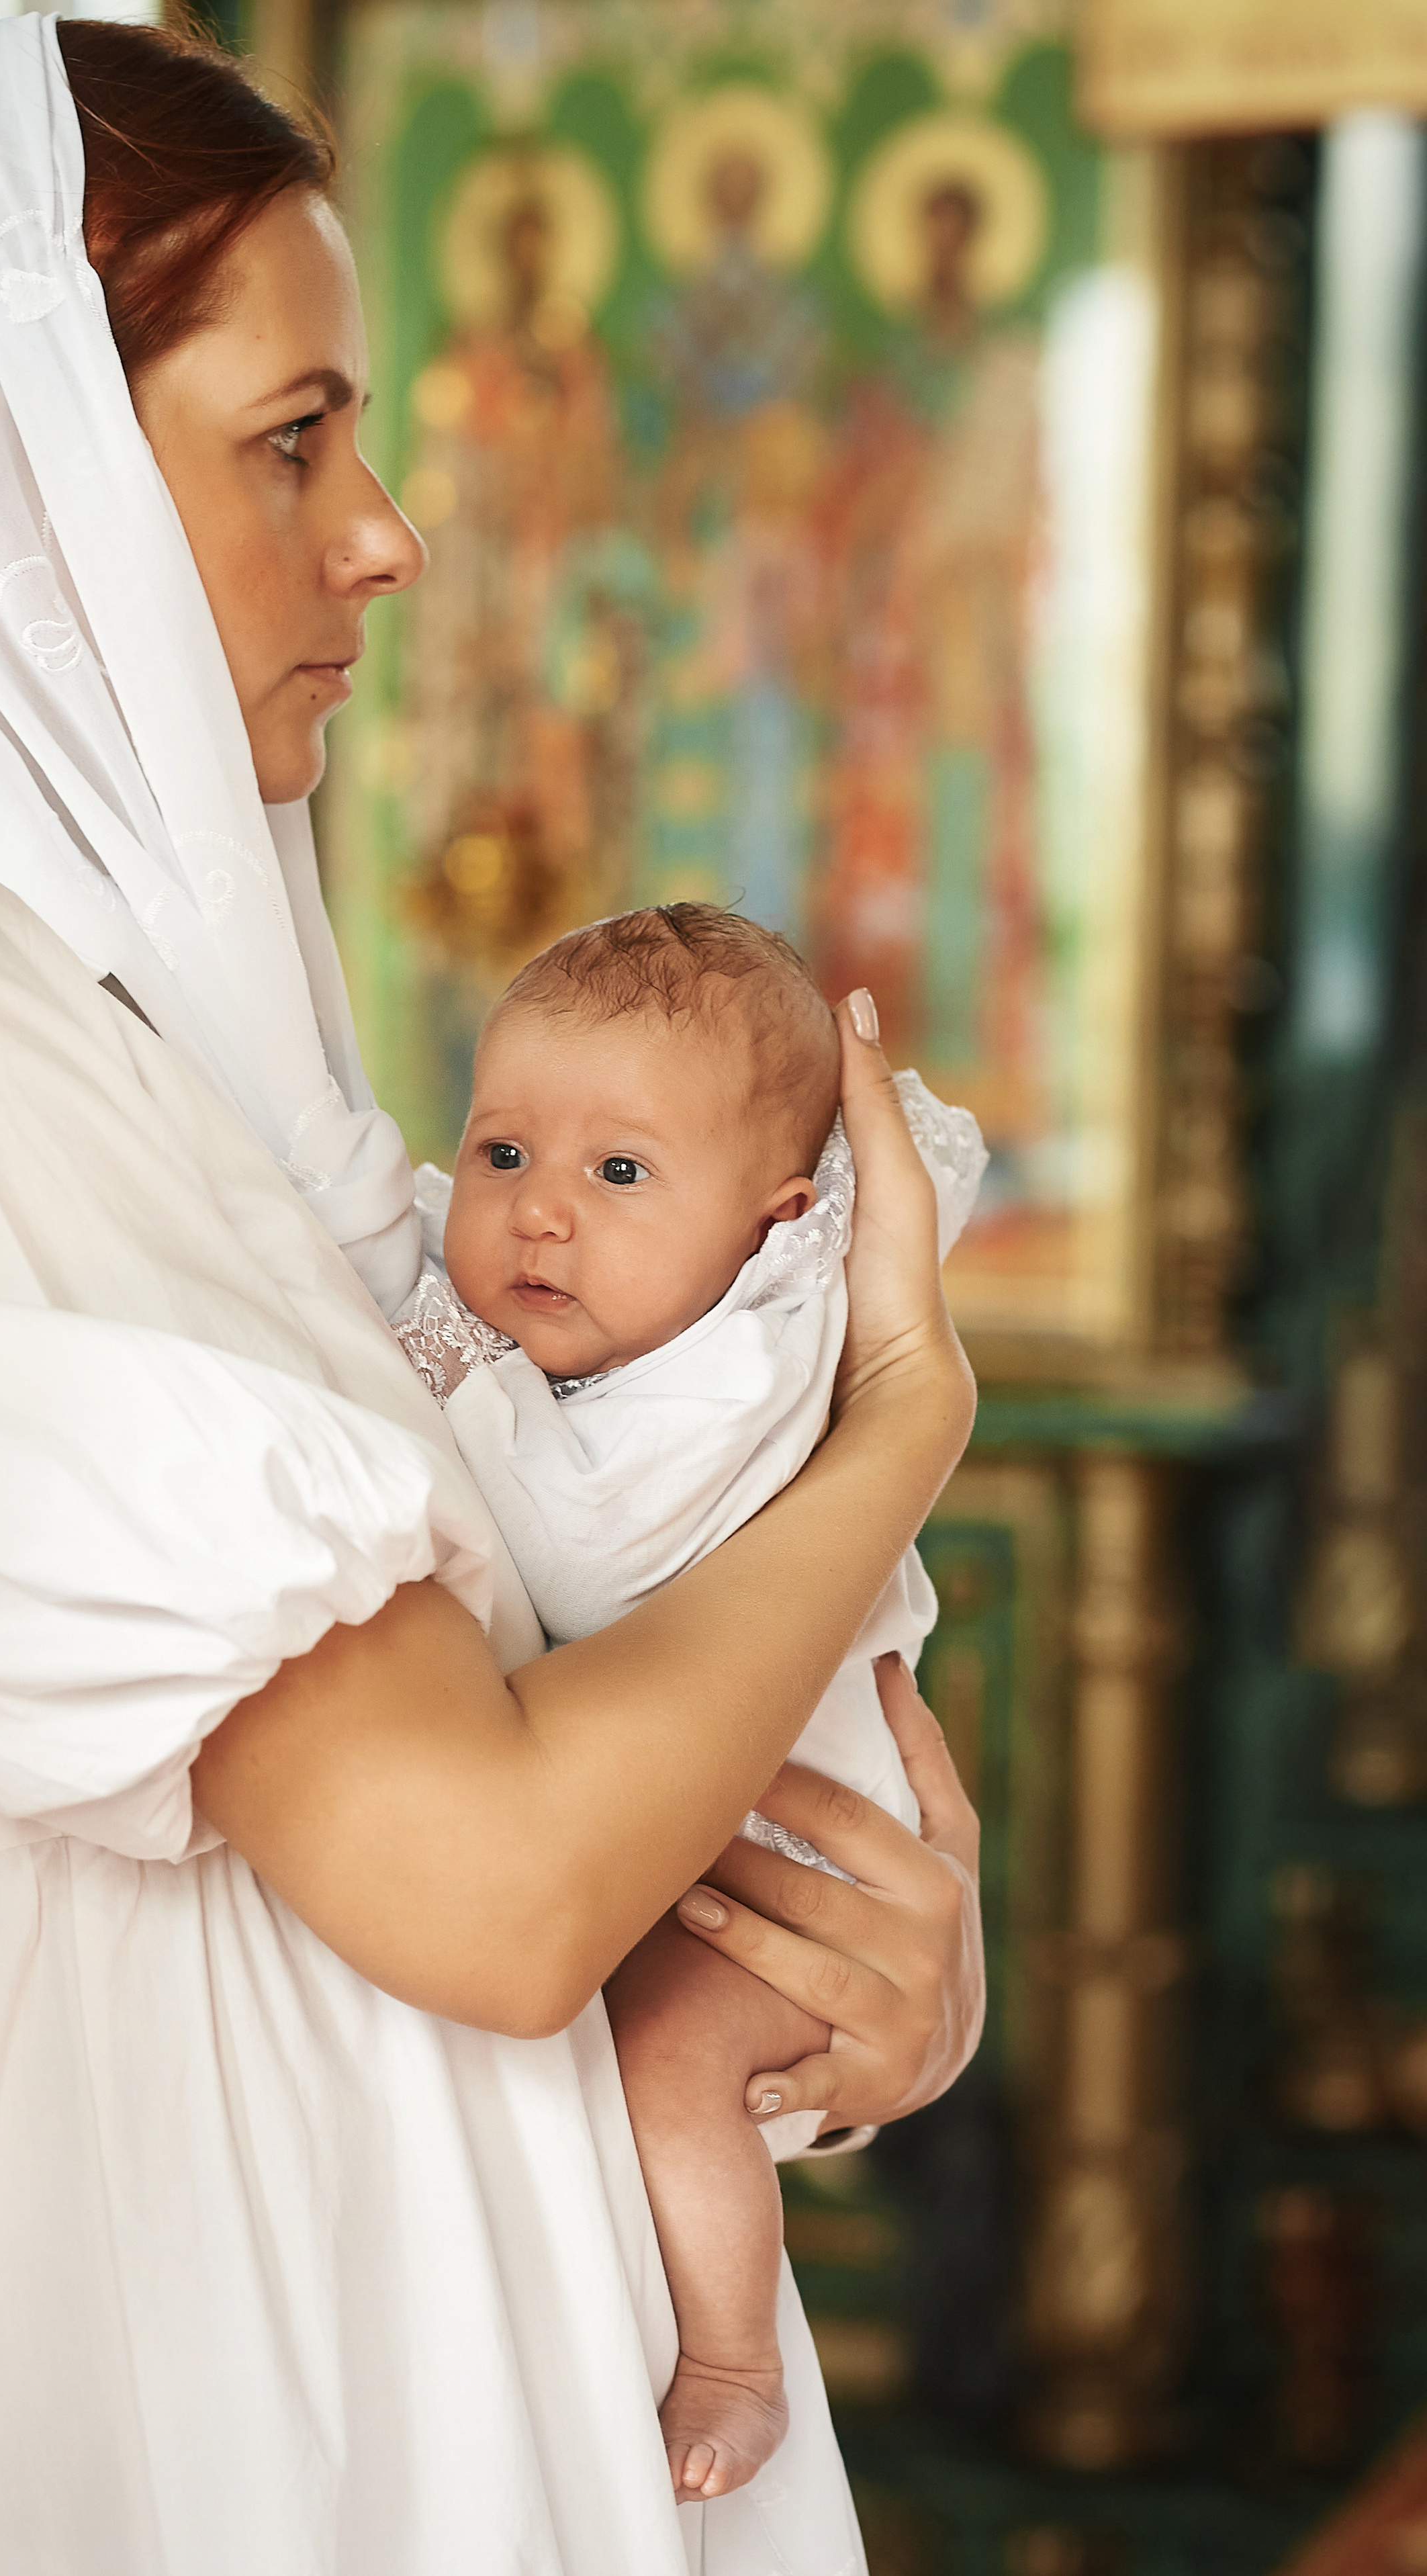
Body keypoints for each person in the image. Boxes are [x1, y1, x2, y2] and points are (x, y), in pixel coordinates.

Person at [0, 19, 980, 2573]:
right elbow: (494, 1884)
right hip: (150, 2425)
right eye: (293, 438)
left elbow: (579, 1788)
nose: (388, 533)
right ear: (7, 478)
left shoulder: (131, 1038)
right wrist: (897, 1430)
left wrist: (868, 1995)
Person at [392, 903, 985, 2501]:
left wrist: (445, 1383)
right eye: (501, 1152)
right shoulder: (635, 1347)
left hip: (796, 1875)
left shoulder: (728, 1382)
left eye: (620, 1175)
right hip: (683, 1845)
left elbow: (578, 1561)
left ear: (773, 1227)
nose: (537, 1219)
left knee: (668, 2057)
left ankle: (727, 2357)